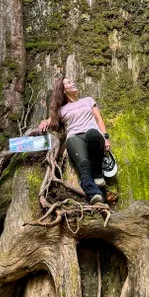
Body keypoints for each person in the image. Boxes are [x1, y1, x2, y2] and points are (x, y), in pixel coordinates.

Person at [38, 76, 111, 205]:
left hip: (93, 136)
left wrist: (105, 137)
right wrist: (43, 123)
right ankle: (95, 194)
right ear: (63, 90)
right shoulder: (61, 110)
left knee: (92, 134)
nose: (73, 83)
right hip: (75, 137)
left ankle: (98, 173)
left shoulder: (88, 100)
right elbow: (48, 121)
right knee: (84, 166)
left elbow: (99, 119)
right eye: (69, 82)